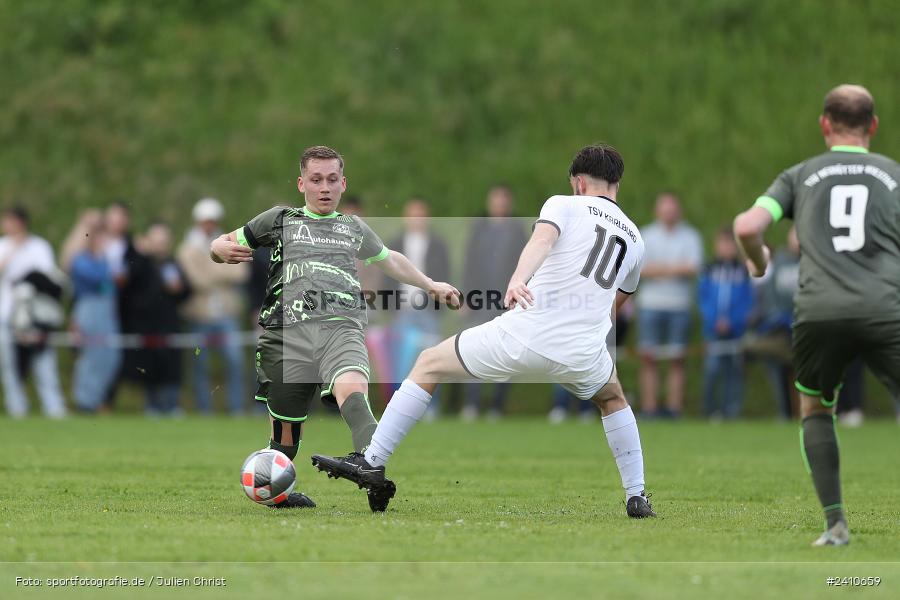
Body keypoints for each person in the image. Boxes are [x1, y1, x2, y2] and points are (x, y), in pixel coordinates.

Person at [312, 143, 655, 520]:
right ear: (616, 184)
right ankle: (636, 495)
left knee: (427, 364)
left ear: (578, 182)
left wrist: (518, 279)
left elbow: (541, 240)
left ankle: (372, 461)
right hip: (583, 352)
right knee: (613, 399)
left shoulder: (564, 203)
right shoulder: (636, 239)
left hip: (527, 332)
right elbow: (616, 301)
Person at [210, 145, 459, 510]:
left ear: (343, 184)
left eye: (331, 180)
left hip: (340, 326)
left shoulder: (352, 227)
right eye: (315, 180)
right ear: (301, 184)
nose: (324, 187)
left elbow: (390, 259)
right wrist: (218, 248)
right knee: (285, 437)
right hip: (285, 335)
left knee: (352, 389)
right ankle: (276, 494)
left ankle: (373, 470)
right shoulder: (279, 219)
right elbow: (225, 243)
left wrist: (431, 285)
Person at [734, 84, 900, 546]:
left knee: (815, 408)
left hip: (818, 310)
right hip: (884, 308)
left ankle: (836, 525)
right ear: (873, 127)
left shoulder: (800, 176)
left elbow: (747, 226)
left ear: (825, 124)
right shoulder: (893, 174)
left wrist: (760, 260)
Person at [460, 185, 527, 421]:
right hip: (479, 299)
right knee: (474, 349)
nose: (498, 204)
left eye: (502, 200)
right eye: (495, 199)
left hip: (506, 301)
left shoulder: (518, 232)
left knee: (505, 353)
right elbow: (469, 264)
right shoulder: (479, 230)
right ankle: (472, 403)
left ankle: (497, 405)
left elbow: (524, 266)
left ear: (508, 203)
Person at [178, 198, 249, 415]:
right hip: (200, 316)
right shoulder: (188, 248)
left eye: (213, 220)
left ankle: (236, 408)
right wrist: (222, 270)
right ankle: (204, 409)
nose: (209, 224)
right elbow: (197, 281)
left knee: (235, 362)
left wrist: (209, 268)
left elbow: (242, 273)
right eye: (206, 221)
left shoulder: (228, 241)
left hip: (227, 314)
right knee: (201, 365)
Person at [636, 193, 702, 419]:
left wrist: (659, 269)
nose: (669, 213)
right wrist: (675, 269)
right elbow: (640, 270)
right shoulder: (646, 235)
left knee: (677, 360)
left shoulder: (691, 236)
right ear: (658, 211)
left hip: (679, 306)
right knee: (648, 359)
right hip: (650, 305)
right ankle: (649, 408)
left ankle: (674, 408)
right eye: (665, 209)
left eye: (672, 209)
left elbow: (693, 268)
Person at [385, 199, 451, 418]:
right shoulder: (395, 243)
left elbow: (445, 273)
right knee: (402, 362)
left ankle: (430, 409)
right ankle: (399, 410)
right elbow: (387, 275)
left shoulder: (438, 244)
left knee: (433, 360)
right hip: (403, 310)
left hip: (428, 310)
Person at [0, 206, 67, 418]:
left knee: (43, 363)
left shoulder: (39, 246)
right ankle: (17, 409)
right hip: (5, 316)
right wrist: (12, 252)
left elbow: (46, 278)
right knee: (10, 367)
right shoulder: (2, 246)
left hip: (34, 318)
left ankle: (54, 409)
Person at [127, 222, 191, 416]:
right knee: (149, 366)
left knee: (171, 365)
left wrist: (179, 289)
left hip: (169, 323)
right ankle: (152, 405)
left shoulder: (172, 263)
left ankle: (172, 405)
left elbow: (186, 290)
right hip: (146, 324)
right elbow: (130, 285)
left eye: (163, 240)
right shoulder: (140, 262)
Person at [66, 210, 122, 413]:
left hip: (106, 309)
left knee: (110, 356)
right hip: (89, 309)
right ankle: (84, 401)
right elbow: (98, 277)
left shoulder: (107, 256)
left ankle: (96, 398)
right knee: (91, 357)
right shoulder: (82, 259)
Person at [698, 228, 754, 419]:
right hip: (713, 329)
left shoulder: (743, 271)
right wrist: (715, 319)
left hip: (736, 330)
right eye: (722, 244)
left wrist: (734, 320)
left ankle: (732, 411)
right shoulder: (709, 269)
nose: (726, 248)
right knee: (712, 369)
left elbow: (747, 300)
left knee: (735, 370)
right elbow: (703, 298)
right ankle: (711, 410)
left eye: (730, 244)